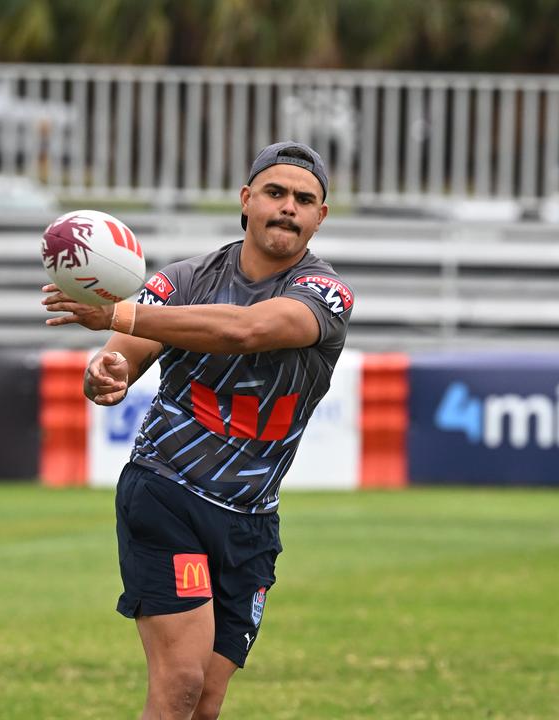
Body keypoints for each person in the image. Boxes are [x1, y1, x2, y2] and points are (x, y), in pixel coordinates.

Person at [41, 141, 353, 719]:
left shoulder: (325, 294)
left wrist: (116, 313)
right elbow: (120, 360)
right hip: (168, 494)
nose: (288, 207)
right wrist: (104, 373)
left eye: (303, 199)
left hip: (250, 521)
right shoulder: (185, 279)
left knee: (205, 703)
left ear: (320, 217)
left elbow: (249, 330)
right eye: (275, 192)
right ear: (246, 199)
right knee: (180, 683)